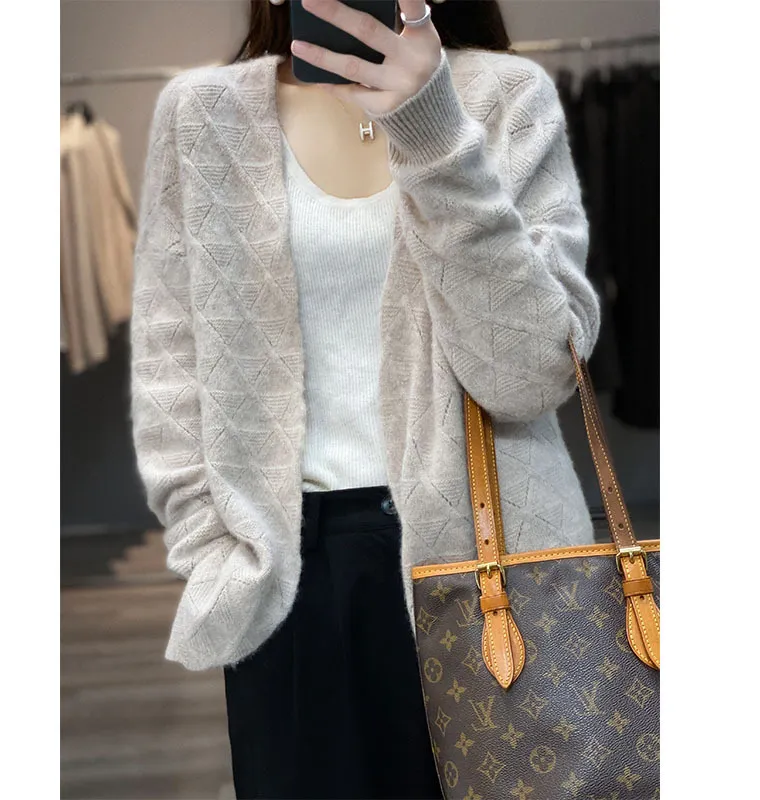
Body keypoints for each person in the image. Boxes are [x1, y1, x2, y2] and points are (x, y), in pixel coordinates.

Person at [130, 1, 601, 797]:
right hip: (283, 569)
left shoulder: (503, 97)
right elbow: (170, 362)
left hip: (495, 561)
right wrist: (215, 548)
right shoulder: (203, 114)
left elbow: (528, 377)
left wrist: (432, 130)